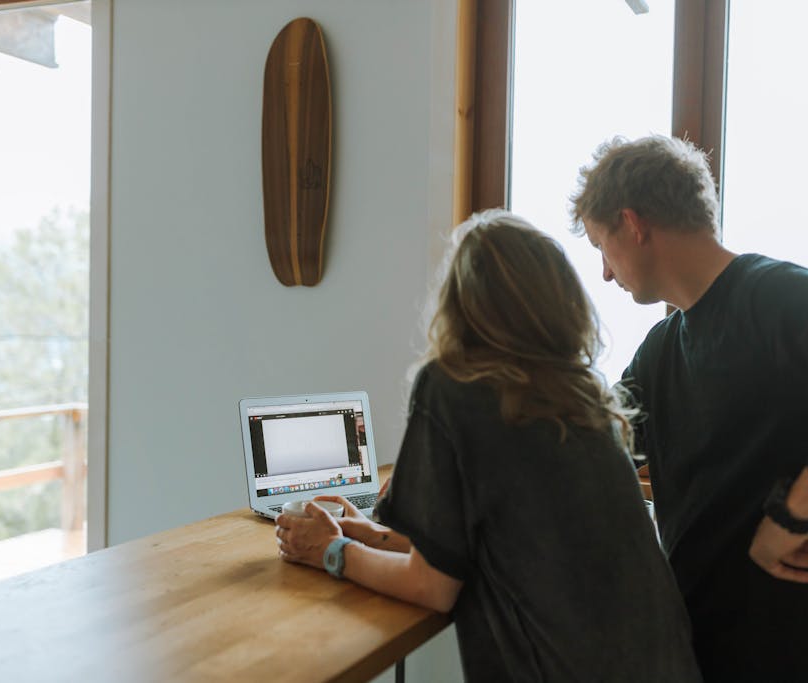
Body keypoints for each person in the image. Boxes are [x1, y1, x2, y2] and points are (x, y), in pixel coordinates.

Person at [570, 134, 808, 682]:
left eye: (600, 246)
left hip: (801, 653)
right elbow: (596, 450)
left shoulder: (772, 296)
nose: (606, 273)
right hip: (707, 648)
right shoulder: (662, 350)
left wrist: (793, 514)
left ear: (633, 224)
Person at [275, 210, 702, 682]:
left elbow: (432, 586)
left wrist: (331, 551)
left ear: (462, 301)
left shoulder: (453, 386)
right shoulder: (582, 398)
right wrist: (363, 531)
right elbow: (496, 545)